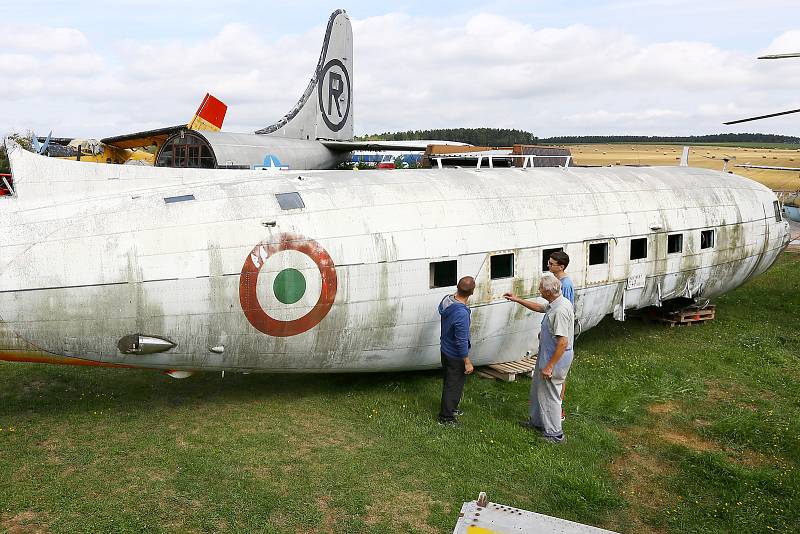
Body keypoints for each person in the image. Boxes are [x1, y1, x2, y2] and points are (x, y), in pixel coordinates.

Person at [504, 273, 574, 443]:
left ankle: (555, 434)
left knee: (551, 394)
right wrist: (517, 299)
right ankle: (537, 422)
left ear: (549, 292)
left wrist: (550, 366)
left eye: (541, 288)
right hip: (547, 354)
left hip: (555, 358)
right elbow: (539, 308)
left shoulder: (560, 311)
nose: (539, 290)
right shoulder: (555, 302)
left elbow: (563, 342)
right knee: (538, 390)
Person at [438, 276, 475, 426]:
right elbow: (461, 340)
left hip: (445, 348)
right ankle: (446, 417)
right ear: (472, 292)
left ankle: (451, 407)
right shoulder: (461, 314)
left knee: (451, 382)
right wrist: (467, 361)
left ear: (457, 287)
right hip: (455, 354)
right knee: (453, 385)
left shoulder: (447, 300)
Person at [546, 251, 574, 420]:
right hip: (552, 331)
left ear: (561, 266)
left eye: (551, 263)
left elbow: (565, 311)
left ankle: (559, 409)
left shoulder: (566, 285)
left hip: (561, 334)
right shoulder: (556, 281)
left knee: (559, 374)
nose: (548, 265)